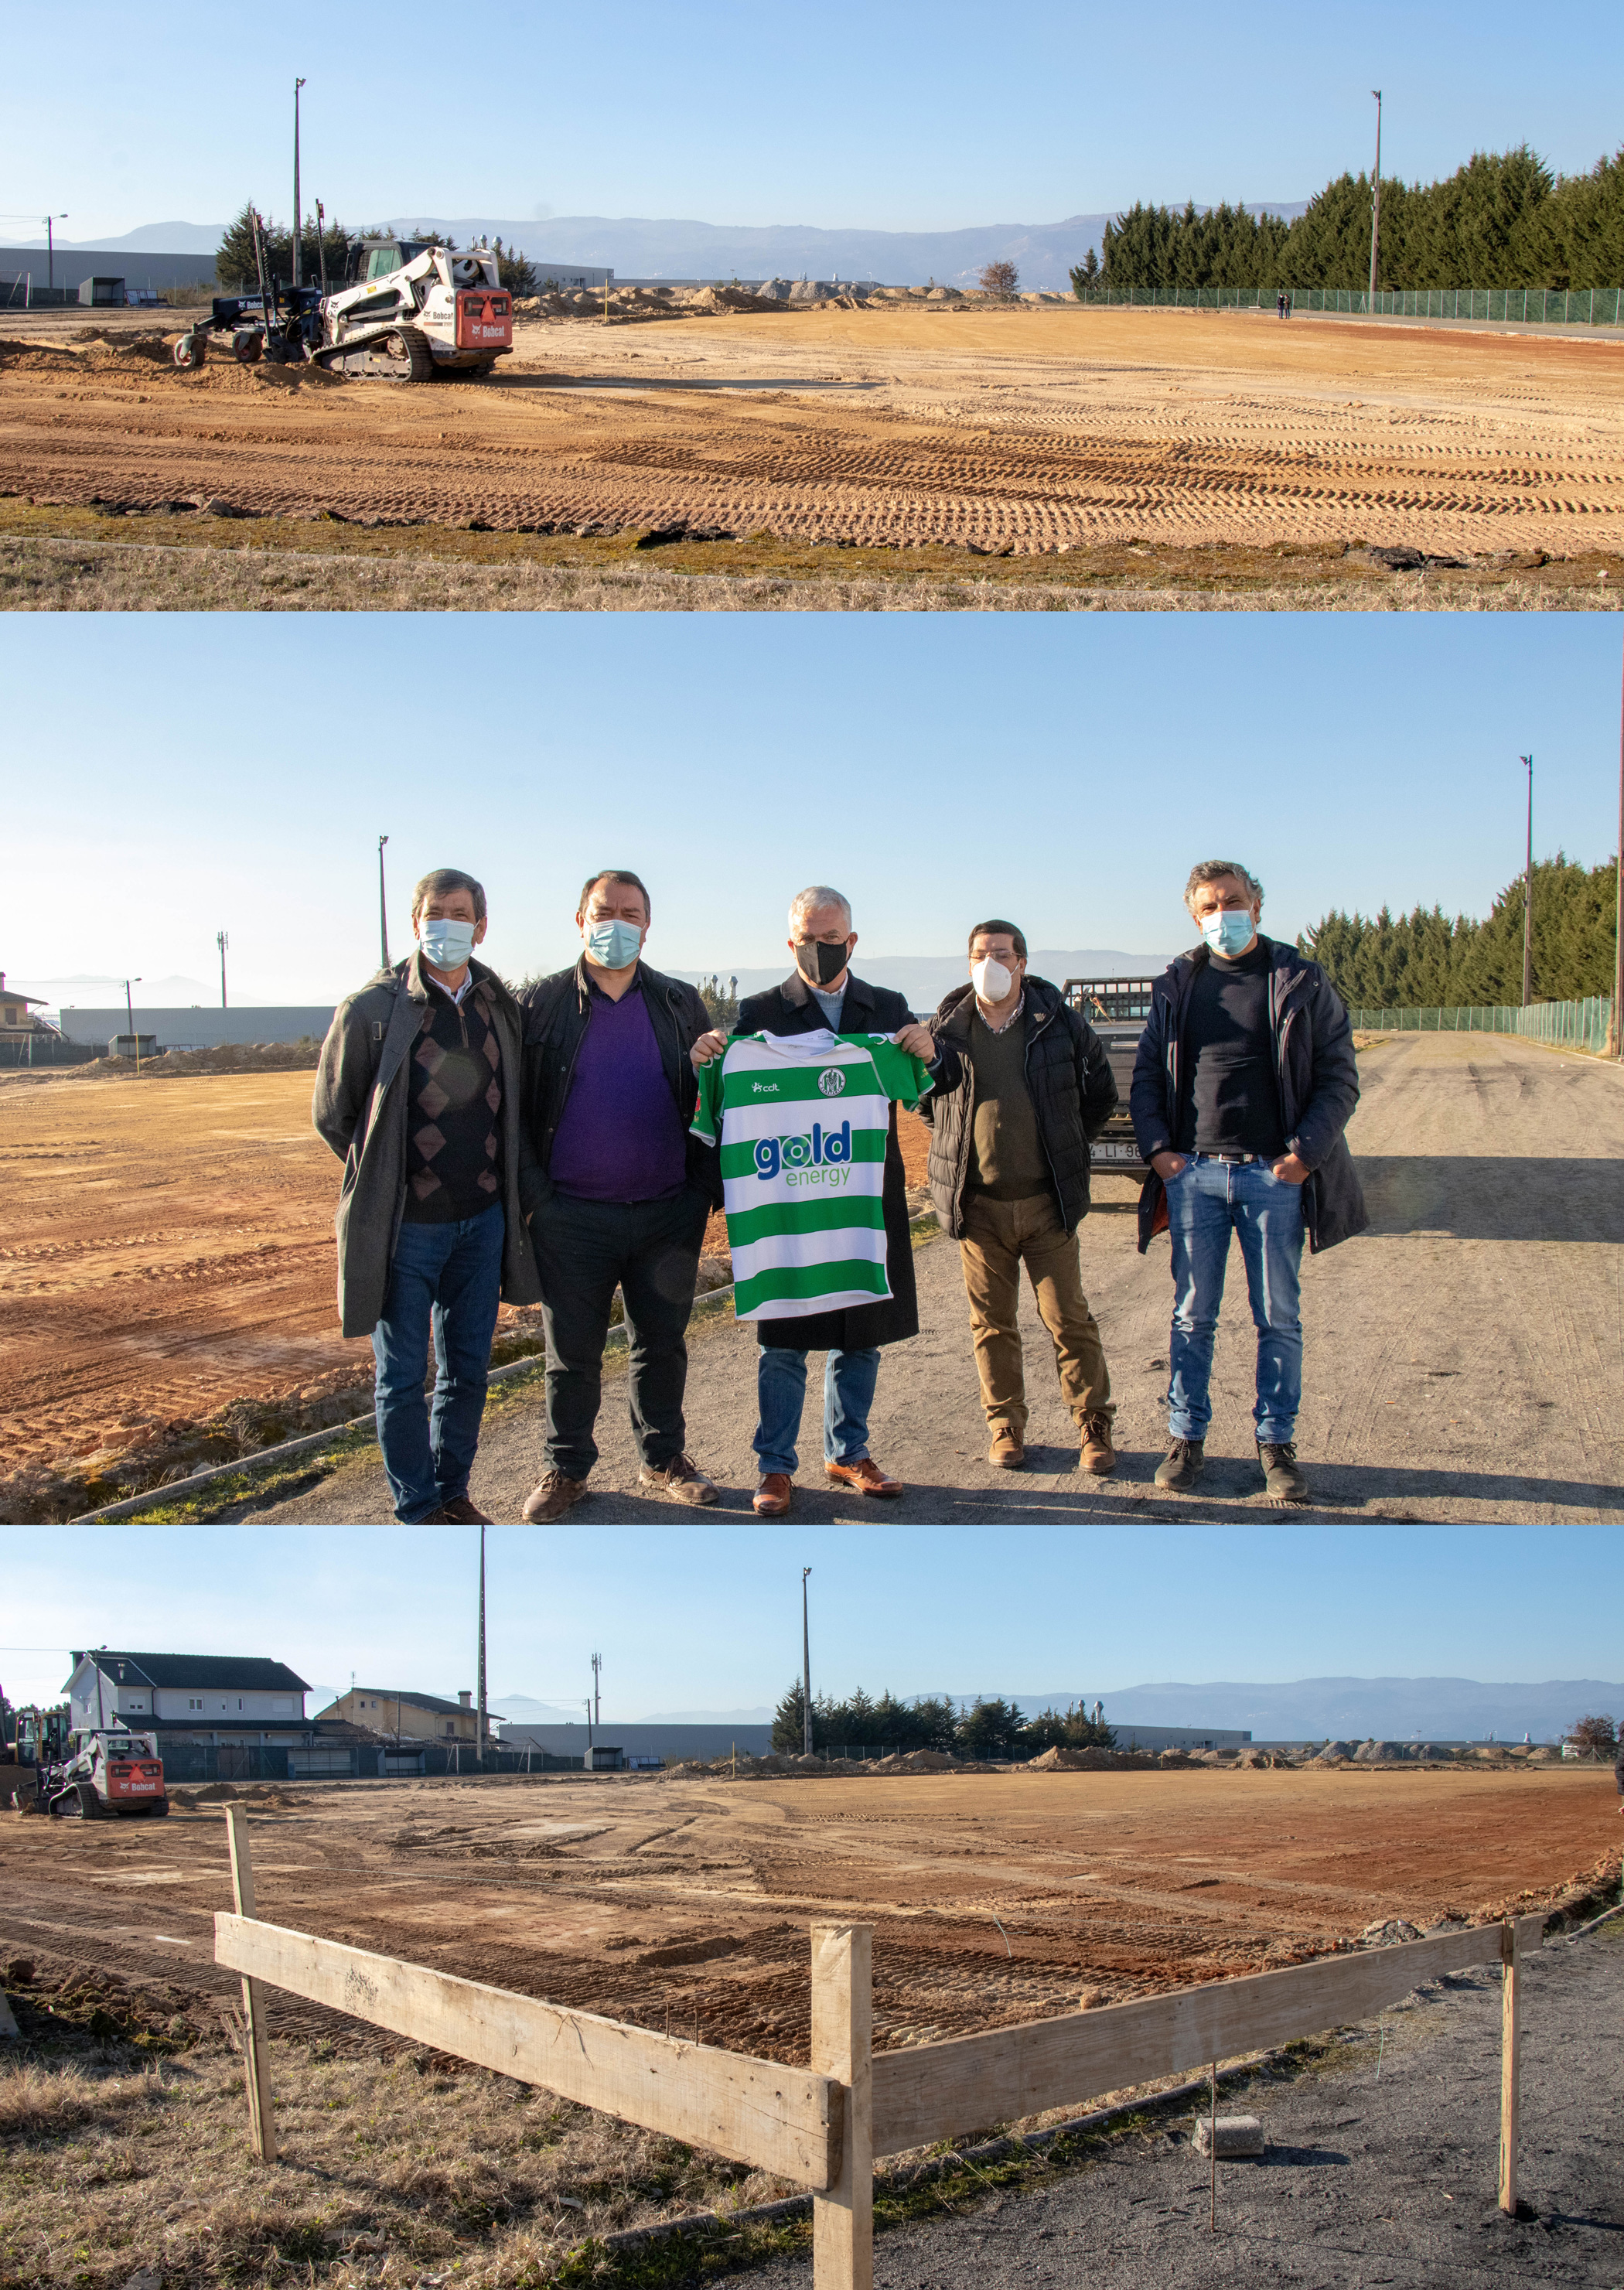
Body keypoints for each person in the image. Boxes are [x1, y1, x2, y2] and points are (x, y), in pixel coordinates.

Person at [692, 886, 942, 1516]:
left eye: (832, 940)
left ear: (851, 942)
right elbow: (726, 1100)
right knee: (784, 1339)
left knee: (860, 1331)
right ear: (790, 941)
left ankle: (848, 1450)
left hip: (862, 1196)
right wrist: (704, 1060)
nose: (819, 949)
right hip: (789, 1202)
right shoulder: (758, 1013)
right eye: (808, 937)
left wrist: (931, 1050)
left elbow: (935, 1090)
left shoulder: (885, 1008)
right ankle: (775, 1467)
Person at [1130, 860, 1366, 1503]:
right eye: (1209, 906)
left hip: (1274, 1177)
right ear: (1194, 914)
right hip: (1195, 1176)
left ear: (1257, 905)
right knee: (1190, 1317)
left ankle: (1277, 1445)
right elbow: (1148, 1075)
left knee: (1279, 1318)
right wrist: (1159, 1153)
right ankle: (1185, 1438)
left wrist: (1302, 1157)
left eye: (1232, 901)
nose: (1222, 915)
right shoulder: (1178, 983)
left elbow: (1339, 1077)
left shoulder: (1299, 980)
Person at [312, 868, 540, 1526]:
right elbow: (338, 1115)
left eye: (460, 912)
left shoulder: (500, 1006)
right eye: (435, 912)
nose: (447, 924)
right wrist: (386, 1179)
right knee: (402, 1377)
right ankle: (416, 1506)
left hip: (482, 1223)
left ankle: (452, 1491)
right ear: (416, 923)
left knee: (468, 1371)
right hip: (405, 1229)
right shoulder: (372, 1010)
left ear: (482, 925)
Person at [516, 869, 722, 1523]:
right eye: (604, 911)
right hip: (571, 1216)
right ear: (580, 918)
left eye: (630, 913)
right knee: (571, 1352)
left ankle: (663, 1458)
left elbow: (711, 1097)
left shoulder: (678, 1001)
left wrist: (699, 1191)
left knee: (660, 1344)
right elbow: (518, 1112)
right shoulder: (542, 1005)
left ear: (648, 924)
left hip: (666, 1212)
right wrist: (538, 1202)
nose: (617, 923)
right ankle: (566, 1467)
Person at [921, 920, 1119, 1473]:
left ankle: (1093, 1424)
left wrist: (1065, 1146)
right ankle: (1005, 1424)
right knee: (992, 1324)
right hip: (979, 1208)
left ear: (1022, 962)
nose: (991, 963)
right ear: (968, 963)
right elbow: (925, 1102)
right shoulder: (947, 1029)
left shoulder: (1061, 1024)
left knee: (1069, 1318)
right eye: (981, 954)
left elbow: (1099, 1096)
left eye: (1002, 954)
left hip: (1047, 1204)